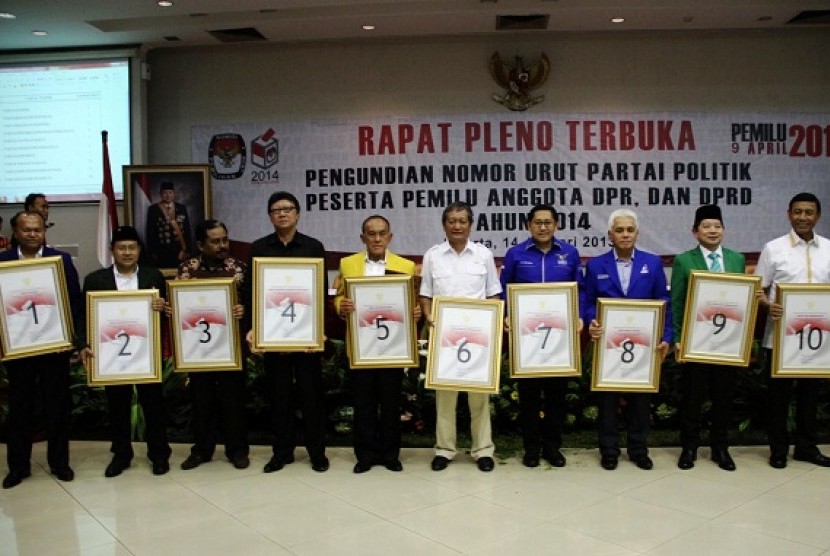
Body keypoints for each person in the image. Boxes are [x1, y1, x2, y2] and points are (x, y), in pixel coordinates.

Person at [243, 191, 329, 473]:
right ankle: (282, 452)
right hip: (274, 334)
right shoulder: (259, 248)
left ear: (297, 213)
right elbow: (252, 292)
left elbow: (319, 294)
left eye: (288, 209)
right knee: (279, 396)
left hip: (306, 336)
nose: (282, 213)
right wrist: (253, 329)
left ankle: (317, 452)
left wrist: (321, 331)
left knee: (311, 395)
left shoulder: (313, 247)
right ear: (270, 216)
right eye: (276, 210)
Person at [81, 226, 172, 477]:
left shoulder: (154, 277)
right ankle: (122, 455)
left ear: (140, 250)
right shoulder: (95, 280)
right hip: (112, 354)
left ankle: (159, 455)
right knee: (117, 405)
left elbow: (166, 315)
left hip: (145, 352)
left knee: (153, 405)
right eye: (122, 247)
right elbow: (86, 316)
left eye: (132, 247)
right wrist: (84, 344)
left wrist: (162, 306)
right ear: (112, 250)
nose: (127, 252)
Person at [584, 209, 671, 471]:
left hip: (643, 345)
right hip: (609, 345)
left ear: (637, 233)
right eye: (619, 230)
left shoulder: (653, 263)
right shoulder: (596, 265)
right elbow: (587, 302)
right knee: (607, 400)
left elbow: (664, 303)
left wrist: (666, 337)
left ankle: (638, 449)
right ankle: (609, 450)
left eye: (629, 230)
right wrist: (592, 322)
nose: (625, 234)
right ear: (610, 234)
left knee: (640, 400)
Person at [500, 203, 584, 468]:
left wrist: (578, 313)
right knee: (529, 396)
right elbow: (504, 290)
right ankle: (531, 449)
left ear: (556, 225)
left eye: (548, 222)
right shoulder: (515, 254)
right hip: (527, 338)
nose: (543, 227)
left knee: (556, 396)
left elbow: (579, 290)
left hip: (559, 338)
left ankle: (553, 447)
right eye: (538, 222)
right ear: (529, 225)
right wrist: (506, 313)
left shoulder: (569, 254)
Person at [419, 202, 502, 472]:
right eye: (451, 221)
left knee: (479, 396)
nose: (457, 226)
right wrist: (429, 317)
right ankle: (444, 450)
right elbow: (425, 294)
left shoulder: (483, 254)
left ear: (470, 224)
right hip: (444, 337)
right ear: (444, 225)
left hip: (477, 338)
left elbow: (492, 293)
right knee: (446, 396)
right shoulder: (433, 255)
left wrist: (492, 326)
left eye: (462, 221)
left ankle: (483, 450)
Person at [334, 215, 420, 473]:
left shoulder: (405, 266)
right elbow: (338, 297)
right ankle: (366, 454)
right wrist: (342, 306)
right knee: (364, 403)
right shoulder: (347, 264)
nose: (377, 238)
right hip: (362, 346)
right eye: (371, 234)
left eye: (382, 233)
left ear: (390, 237)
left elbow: (412, 302)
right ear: (363, 238)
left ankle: (391, 454)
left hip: (393, 345)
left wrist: (415, 312)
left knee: (391, 401)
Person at [1, 211, 81, 489]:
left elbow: (74, 301)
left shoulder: (61, 260)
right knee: (20, 408)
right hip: (19, 348)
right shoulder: (3, 262)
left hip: (54, 347)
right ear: (16, 231)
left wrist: (73, 340)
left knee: (57, 407)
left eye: (38, 229)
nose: (33, 234)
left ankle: (60, 463)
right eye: (27, 230)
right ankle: (18, 467)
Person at [755, 192, 830, 469]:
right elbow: (758, 289)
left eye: (808, 212)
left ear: (817, 216)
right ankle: (778, 449)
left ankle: (807, 448)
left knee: (810, 397)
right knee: (778, 398)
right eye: (797, 212)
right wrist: (768, 306)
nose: (803, 217)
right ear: (789, 214)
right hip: (781, 339)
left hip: (818, 341)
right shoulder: (774, 248)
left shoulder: (829, 249)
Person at [671, 205, 744, 472]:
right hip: (696, 341)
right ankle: (689, 447)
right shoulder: (684, 260)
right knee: (693, 396)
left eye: (717, 226)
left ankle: (720, 448)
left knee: (724, 397)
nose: (712, 231)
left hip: (728, 343)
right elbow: (676, 302)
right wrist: (678, 337)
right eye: (706, 226)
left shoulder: (736, 259)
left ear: (723, 230)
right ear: (695, 231)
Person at [176, 219, 250, 471]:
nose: (222, 246)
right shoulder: (187, 270)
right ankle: (202, 450)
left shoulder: (239, 269)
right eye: (215, 241)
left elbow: (253, 304)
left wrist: (244, 310)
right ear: (200, 244)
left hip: (231, 347)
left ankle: (237, 450)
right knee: (201, 400)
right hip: (199, 347)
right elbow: (179, 306)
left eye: (224, 240)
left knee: (234, 400)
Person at [146, 181, 192, 268]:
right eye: (165, 193)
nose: (167, 195)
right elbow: (150, 232)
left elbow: (187, 229)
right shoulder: (153, 209)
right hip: (161, 250)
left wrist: (188, 249)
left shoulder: (181, 208)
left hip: (179, 250)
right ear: (161, 194)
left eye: (170, 192)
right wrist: (152, 252)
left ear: (174, 193)